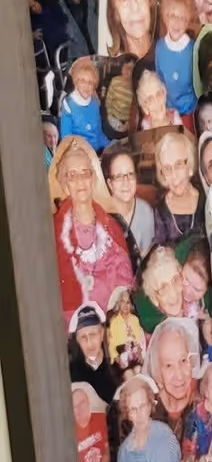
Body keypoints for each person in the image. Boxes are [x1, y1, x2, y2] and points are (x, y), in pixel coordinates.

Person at [51, 134, 134, 323]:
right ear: (64, 184)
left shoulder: (112, 225)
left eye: (85, 173)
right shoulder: (53, 230)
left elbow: (125, 276)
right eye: (72, 175)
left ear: (93, 180)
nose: (80, 181)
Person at [114, 373, 180, 462]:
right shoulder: (124, 451)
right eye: (133, 409)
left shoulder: (164, 434)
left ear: (150, 406)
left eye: (143, 406)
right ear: (128, 414)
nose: (139, 414)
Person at [58, 51, 107, 150]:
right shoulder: (68, 105)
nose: (87, 86)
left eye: (90, 82)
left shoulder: (95, 104)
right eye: (83, 81)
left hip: (96, 154)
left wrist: (112, 146)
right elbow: (66, 139)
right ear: (76, 82)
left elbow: (99, 135)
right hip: (78, 154)